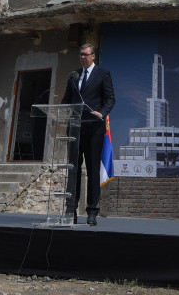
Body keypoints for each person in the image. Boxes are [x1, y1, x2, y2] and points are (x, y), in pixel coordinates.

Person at [61, 42, 114, 225]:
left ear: (93, 56)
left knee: (92, 170)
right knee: (74, 170)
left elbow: (110, 98)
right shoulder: (74, 75)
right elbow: (66, 100)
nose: (83, 57)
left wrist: (103, 113)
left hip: (94, 129)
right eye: (81, 54)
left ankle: (92, 211)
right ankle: (71, 210)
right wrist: (63, 112)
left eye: (86, 54)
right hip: (75, 127)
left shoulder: (103, 74)